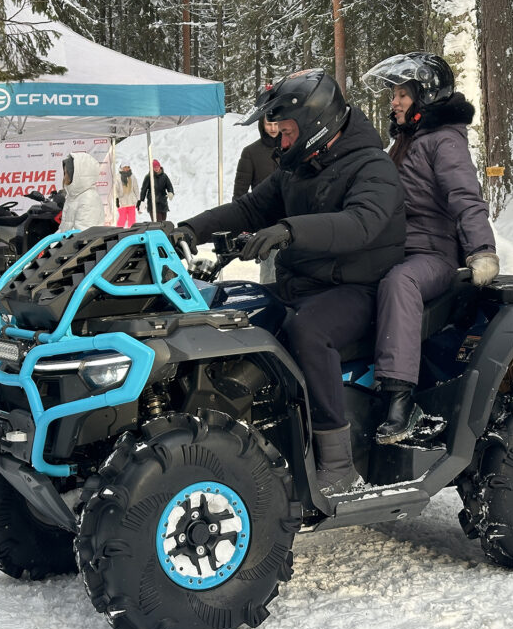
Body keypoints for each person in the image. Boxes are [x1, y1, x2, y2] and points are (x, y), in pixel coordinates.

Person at [173, 69, 406, 496]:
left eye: (287, 131)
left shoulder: (373, 166)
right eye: (278, 131)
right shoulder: (296, 170)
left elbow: (361, 223)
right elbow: (245, 209)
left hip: (359, 290)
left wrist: (289, 230)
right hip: (304, 285)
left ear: (317, 123)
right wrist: (187, 228)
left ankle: (338, 465)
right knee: (233, 315)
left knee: (308, 332)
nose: (280, 141)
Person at [362, 52, 499, 444]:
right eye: (394, 95)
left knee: (399, 283)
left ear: (427, 95)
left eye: (403, 94)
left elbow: (465, 196)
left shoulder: (443, 141)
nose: (395, 102)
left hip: (433, 255)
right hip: (399, 248)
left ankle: (400, 401)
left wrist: (482, 250)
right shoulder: (406, 142)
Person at [233, 115, 282, 283]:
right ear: (262, 124)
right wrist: (239, 225)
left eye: (277, 124)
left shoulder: (293, 148)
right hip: (266, 221)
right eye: (270, 124)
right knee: (269, 273)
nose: (274, 128)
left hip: (294, 220)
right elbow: (240, 192)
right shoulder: (251, 152)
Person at [58, 151, 105, 231]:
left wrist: (58, 242)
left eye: (67, 173)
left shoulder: (89, 199)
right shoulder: (74, 196)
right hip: (66, 241)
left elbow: (82, 234)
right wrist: (53, 242)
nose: (64, 177)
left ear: (76, 175)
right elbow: (64, 228)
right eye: (65, 173)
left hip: (75, 243)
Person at [115, 163, 139, 228]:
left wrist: (138, 199)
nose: (126, 168)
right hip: (122, 201)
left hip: (131, 201)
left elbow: (136, 188)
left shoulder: (132, 176)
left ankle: (132, 232)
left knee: (132, 219)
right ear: (122, 168)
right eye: (125, 167)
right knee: (122, 218)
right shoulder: (117, 177)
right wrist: (116, 199)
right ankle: (118, 231)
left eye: (128, 167)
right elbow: (115, 189)